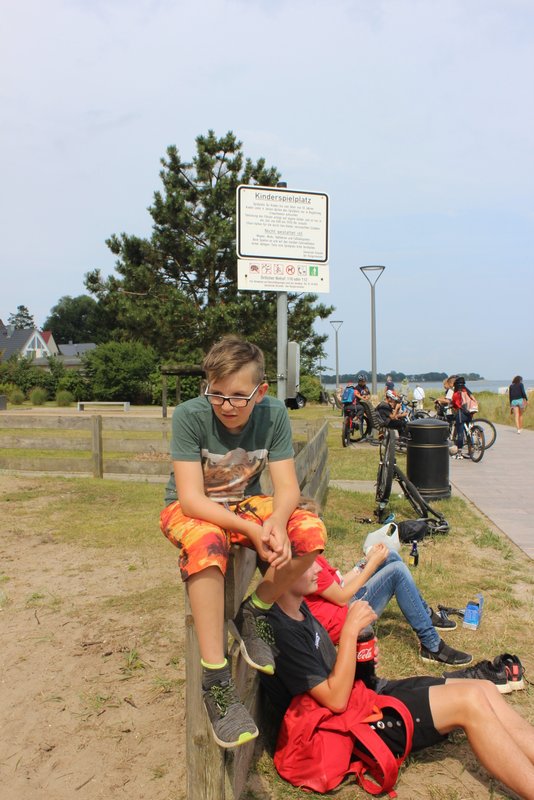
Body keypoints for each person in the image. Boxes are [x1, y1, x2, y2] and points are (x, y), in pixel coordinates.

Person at [159, 335, 326, 748]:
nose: (226, 405)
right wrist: (253, 530)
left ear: (261, 391)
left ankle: (258, 607)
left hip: (247, 502)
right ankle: (216, 679)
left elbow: (286, 487)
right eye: (216, 394)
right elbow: (191, 499)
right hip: (191, 507)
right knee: (207, 543)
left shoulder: (274, 414)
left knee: (309, 532)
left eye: (238, 396)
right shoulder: (190, 416)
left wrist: (279, 522)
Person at [262, 560, 534, 800]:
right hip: (351, 728)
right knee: (470, 701)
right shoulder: (282, 630)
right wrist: (349, 633)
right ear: (281, 570)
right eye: (308, 563)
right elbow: (335, 701)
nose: (319, 569)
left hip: (364, 698)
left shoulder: (298, 609)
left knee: (484, 687)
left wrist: (356, 659)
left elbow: (328, 675)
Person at [304, 548, 471, 666]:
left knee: (390, 555)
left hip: (342, 607)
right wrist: (371, 565)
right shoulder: (307, 562)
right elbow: (342, 598)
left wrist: (365, 561)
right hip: (342, 621)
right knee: (397, 571)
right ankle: (432, 646)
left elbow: (339, 583)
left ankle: (425, 614)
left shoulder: (311, 555)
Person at [451, 376, 477, 458]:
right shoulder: (467, 392)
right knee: (468, 431)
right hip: (469, 414)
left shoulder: (456, 394)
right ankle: (471, 450)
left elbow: (454, 404)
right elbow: (474, 400)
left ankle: (459, 453)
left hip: (461, 415)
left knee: (460, 433)